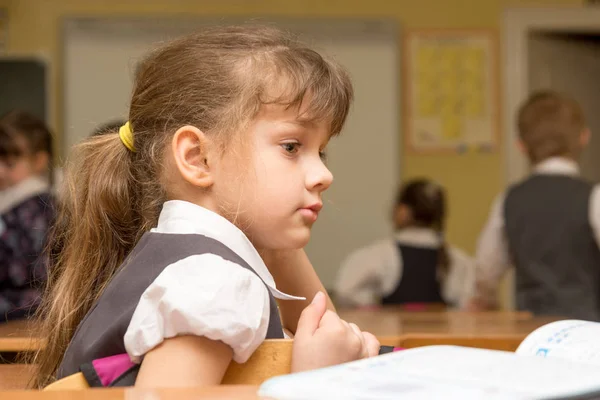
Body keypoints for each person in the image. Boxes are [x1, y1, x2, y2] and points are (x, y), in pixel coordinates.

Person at [30, 26, 379, 389]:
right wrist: (316, 384)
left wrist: (276, 244)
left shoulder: (189, 261)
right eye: (292, 147)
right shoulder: (215, 282)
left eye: (320, 151)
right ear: (197, 158)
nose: (324, 174)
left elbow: (334, 334)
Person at [469, 90, 600, 320]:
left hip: (530, 331)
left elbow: (485, 272)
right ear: (584, 137)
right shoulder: (593, 197)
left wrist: (487, 301)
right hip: (587, 330)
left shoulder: (509, 200)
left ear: (521, 146)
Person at [335, 179, 474, 308]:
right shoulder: (457, 259)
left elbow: (345, 292)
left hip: (393, 333)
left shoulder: (381, 255)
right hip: (441, 334)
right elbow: (468, 302)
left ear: (402, 211)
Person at [0, 110, 55, 321]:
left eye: (10, 163)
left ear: (39, 160)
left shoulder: (35, 210)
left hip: (28, 318)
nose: (1, 172)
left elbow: (37, 277)